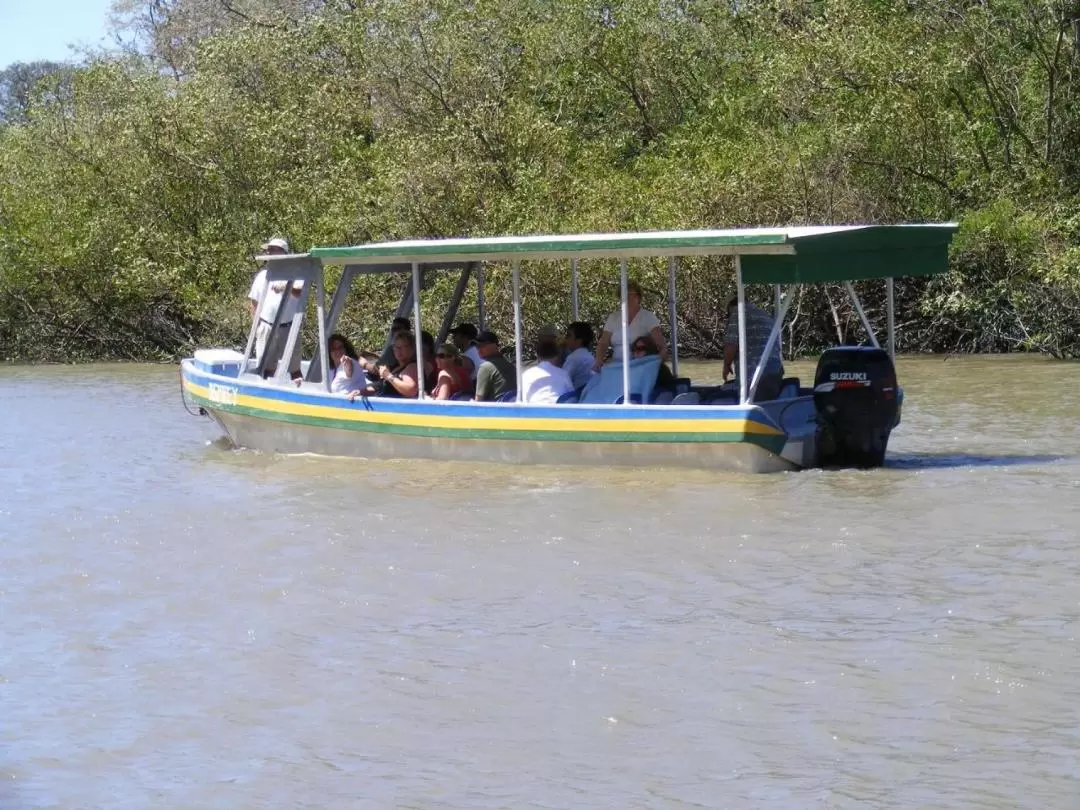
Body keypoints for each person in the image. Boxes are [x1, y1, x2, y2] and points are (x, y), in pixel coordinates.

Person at [248, 236, 303, 379]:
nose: (268, 253)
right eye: (268, 250)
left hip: (289, 327)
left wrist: (286, 287)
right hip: (266, 326)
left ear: (282, 252)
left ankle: (298, 395)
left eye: (272, 250)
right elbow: (254, 302)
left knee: (295, 369)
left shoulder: (295, 273)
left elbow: (300, 293)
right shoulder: (262, 275)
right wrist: (257, 325)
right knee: (266, 367)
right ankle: (265, 395)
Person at [593, 280, 667, 369]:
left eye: (629, 294)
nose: (624, 297)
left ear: (638, 297)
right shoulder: (613, 317)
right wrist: (599, 360)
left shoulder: (648, 317)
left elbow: (661, 346)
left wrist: (656, 363)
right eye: (622, 295)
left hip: (641, 366)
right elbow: (603, 342)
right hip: (617, 365)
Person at [722, 297, 784, 401]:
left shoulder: (738, 311)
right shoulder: (764, 315)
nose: (728, 318)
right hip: (776, 372)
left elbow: (731, 346)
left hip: (756, 375)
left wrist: (726, 365)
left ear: (731, 307)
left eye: (728, 314)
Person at [349, 331, 420, 400]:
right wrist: (360, 392)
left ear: (412, 349)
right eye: (396, 346)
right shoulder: (396, 368)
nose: (398, 350)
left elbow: (411, 390)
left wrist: (389, 376)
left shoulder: (412, 367)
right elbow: (381, 387)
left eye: (403, 346)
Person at [522, 338, 574, 404]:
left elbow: (524, 399)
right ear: (557, 356)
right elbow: (572, 396)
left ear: (538, 355)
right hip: (558, 412)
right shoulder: (563, 373)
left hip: (532, 412)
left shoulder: (526, 374)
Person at [473, 330, 517, 401]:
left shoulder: (485, 367)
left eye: (483, 345)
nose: (479, 349)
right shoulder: (509, 364)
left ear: (495, 345)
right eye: (477, 346)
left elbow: (478, 401)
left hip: (495, 410)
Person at [562, 322, 596, 390]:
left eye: (568, 336)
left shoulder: (574, 357)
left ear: (579, 340)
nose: (565, 338)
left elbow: (562, 381)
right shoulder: (589, 355)